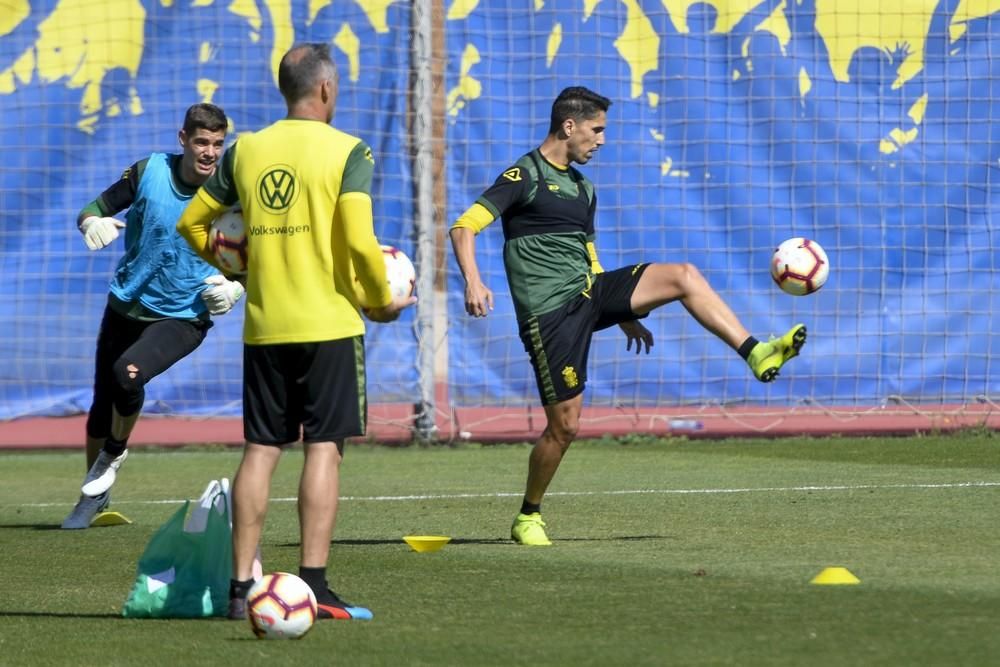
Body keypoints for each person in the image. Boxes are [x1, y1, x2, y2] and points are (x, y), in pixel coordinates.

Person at [449, 86, 807, 546]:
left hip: (590, 291)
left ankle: (756, 351)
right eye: (597, 130)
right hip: (550, 314)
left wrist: (621, 311)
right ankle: (528, 516)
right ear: (569, 126)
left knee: (683, 275)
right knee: (566, 427)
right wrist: (474, 281)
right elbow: (464, 226)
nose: (601, 140)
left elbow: (590, 255)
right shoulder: (525, 175)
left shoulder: (584, 188)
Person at [176, 43, 415, 621]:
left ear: (286, 89)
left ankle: (239, 591)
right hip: (329, 323)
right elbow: (361, 243)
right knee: (323, 448)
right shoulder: (348, 150)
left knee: (260, 450)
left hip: (265, 324)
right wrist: (380, 302)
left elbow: (192, 222)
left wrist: (236, 264)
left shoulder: (246, 150)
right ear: (327, 90)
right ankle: (313, 586)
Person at [63, 103, 244, 530]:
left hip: (184, 315)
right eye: (202, 142)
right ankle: (95, 498)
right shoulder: (149, 172)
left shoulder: (230, 190)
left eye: (218, 144)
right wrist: (91, 223)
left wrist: (237, 286)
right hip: (124, 305)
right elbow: (92, 208)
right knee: (101, 407)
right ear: (183, 140)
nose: (210, 152)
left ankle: (114, 453)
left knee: (128, 375)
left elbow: (257, 252)